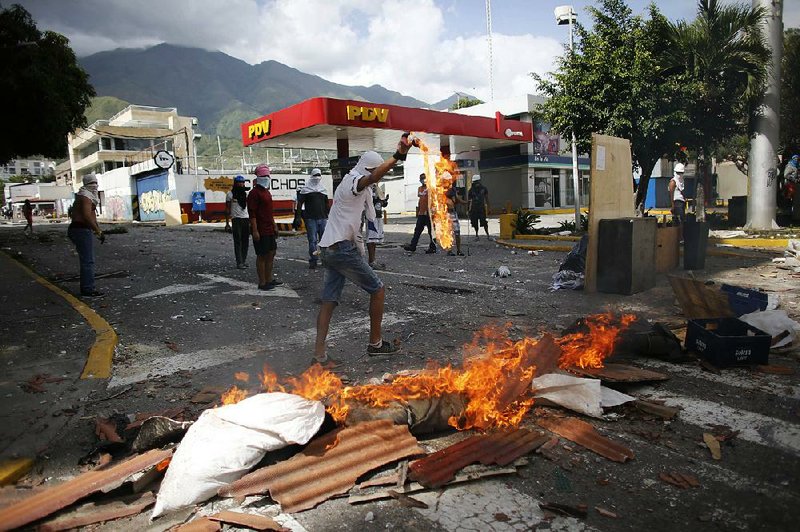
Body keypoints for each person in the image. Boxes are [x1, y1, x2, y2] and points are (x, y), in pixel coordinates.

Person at [313, 133, 414, 366]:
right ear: (369, 170)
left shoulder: (349, 182)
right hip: (340, 249)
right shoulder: (355, 182)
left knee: (329, 301)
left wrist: (360, 252)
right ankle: (375, 344)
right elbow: (370, 179)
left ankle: (319, 356)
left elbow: (354, 226)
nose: (375, 178)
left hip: (330, 248)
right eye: (374, 172)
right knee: (378, 290)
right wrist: (398, 156)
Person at [67, 174, 105, 297]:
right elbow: (87, 216)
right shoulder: (85, 197)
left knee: (87, 260)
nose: (94, 186)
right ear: (85, 185)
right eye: (91, 183)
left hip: (82, 230)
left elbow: (92, 216)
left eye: (96, 183)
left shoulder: (88, 196)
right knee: (88, 261)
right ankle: (88, 289)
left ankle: (88, 287)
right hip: (80, 229)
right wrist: (97, 231)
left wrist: (97, 230)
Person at [247, 164, 282, 290]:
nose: (266, 177)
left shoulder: (267, 192)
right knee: (262, 255)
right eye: (264, 175)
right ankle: (262, 282)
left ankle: (269, 278)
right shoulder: (254, 193)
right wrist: (255, 230)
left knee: (271, 252)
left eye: (267, 175)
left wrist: (274, 226)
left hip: (268, 227)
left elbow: (269, 212)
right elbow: (252, 214)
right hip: (261, 228)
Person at [294, 168, 329, 269]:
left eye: (319, 175)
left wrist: (329, 215)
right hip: (311, 219)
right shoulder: (306, 190)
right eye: (315, 175)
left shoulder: (323, 189)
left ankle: (324, 260)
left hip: (323, 218)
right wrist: (298, 217)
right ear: (311, 176)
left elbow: (326, 203)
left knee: (324, 241)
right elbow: (300, 204)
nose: (317, 178)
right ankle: (313, 260)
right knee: (313, 240)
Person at [402, 173, 437, 254]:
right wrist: (418, 211)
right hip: (421, 213)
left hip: (429, 214)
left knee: (431, 232)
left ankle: (433, 247)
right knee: (417, 230)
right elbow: (420, 200)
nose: (423, 180)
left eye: (424, 178)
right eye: (421, 178)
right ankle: (412, 246)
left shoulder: (431, 188)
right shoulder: (420, 189)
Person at [225, 175, 250, 269]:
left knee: (245, 241)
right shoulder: (230, 194)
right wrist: (227, 223)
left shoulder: (246, 194)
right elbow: (227, 209)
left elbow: (250, 208)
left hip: (246, 218)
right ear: (235, 183)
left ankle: (243, 260)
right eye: (239, 182)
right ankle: (239, 262)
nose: (241, 184)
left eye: (243, 182)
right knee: (238, 241)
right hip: (236, 219)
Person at [366, 184, 388, 268]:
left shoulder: (377, 189)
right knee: (371, 239)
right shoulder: (368, 189)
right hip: (371, 217)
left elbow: (382, 203)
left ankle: (373, 260)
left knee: (375, 240)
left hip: (378, 216)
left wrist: (384, 201)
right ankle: (371, 261)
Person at [445, 184, 466, 256]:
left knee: (457, 232)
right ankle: (449, 250)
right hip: (445, 214)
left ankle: (459, 250)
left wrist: (466, 202)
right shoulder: (441, 189)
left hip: (453, 213)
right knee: (448, 233)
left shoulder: (453, 190)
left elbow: (458, 199)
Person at [467, 175, 490, 239]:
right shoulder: (471, 190)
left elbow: (487, 199)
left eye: (477, 182)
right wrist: (468, 209)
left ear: (479, 181)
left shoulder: (484, 189)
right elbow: (469, 201)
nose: (476, 183)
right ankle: (476, 235)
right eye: (475, 182)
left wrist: (489, 208)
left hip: (481, 208)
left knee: (484, 222)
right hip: (474, 209)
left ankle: (488, 235)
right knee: (474, 222)